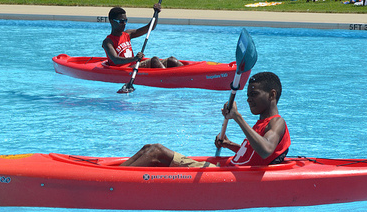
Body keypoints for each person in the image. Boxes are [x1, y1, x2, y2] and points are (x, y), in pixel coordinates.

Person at [120, 72, 291, 168]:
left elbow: (266, 150)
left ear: (272, 95)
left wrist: (238, 118)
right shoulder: (260, 124)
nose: (248, 99)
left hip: (221, 176)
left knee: (156, 152)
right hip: (223, 171)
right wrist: (228, 144)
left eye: (254, 94)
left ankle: (113, 180)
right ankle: (113, 174)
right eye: (247, 95)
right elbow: (252, 154)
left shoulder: (277, 122)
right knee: (149, 148)